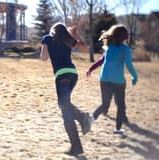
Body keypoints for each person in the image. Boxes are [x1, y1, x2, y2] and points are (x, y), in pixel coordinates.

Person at [41, 22, 92, 156]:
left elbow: (43, 58)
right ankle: (82, 120)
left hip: (62, 76)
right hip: (73, 74)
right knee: (65, 104)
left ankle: (77, 143)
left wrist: (47, 48)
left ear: (53, 31)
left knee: (66, 112)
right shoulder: (68, 40)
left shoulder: (47, 38)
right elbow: (86, 49)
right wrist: (77, 35)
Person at [86, 24, 138, 134]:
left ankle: (91, 119)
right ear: (124, 37)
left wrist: (91, 68)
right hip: (118, 81)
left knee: (105, 104)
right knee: (120, 105)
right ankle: (118, 129)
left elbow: (101, 61)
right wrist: (134, 76)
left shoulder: (109, 48)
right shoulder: (126, 49)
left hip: (104, 79)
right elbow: (128, 64)